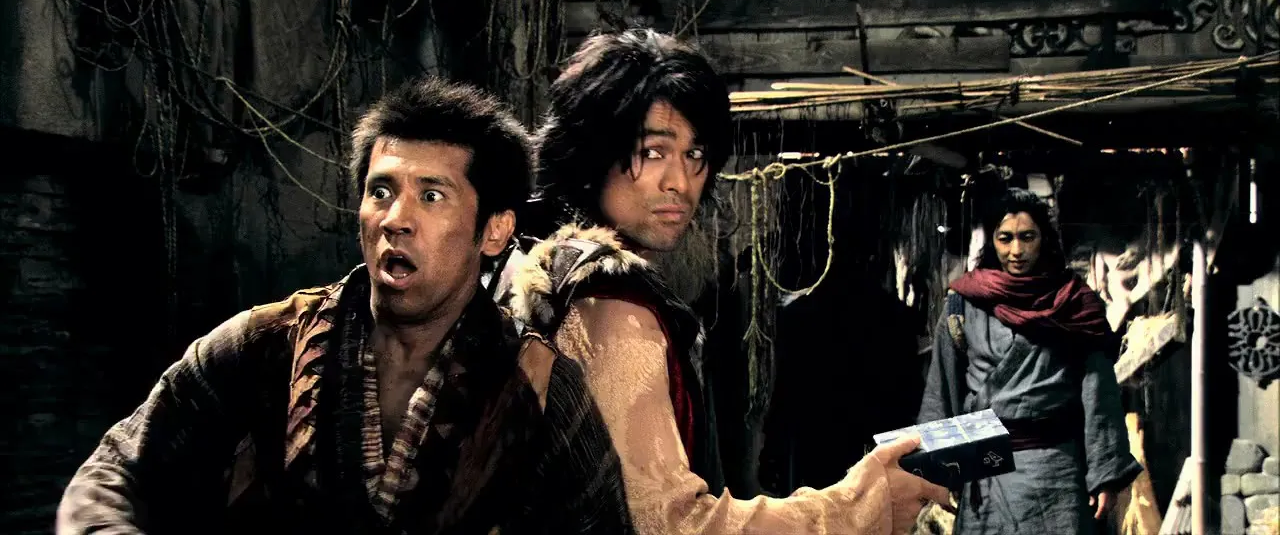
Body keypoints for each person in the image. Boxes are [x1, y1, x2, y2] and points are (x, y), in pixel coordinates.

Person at [57, 78, 634, 534]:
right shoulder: (268, 343)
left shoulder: (538, 386)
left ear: (494, 229)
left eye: (432, 196)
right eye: (380, 191)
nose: (395, 219)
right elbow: (114, 471)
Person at [499, 28, 952, 535]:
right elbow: (671, 525)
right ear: (594, 154)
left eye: (695, 155)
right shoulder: (611, 303)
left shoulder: (557, 272)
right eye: (653, 151)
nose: (679, 182)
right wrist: (861, 504)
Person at [917, 187, 1142, 534]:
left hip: (1054, 473)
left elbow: (1099, 395)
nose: (1017, 251)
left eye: (1027, 237)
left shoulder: (1074, 305)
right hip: (986, 471)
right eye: (1005, 238)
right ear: (992, 241)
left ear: (1044, 239)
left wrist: (1104, 473)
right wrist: (938, 469)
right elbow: (941, 391)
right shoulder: (963, 304)